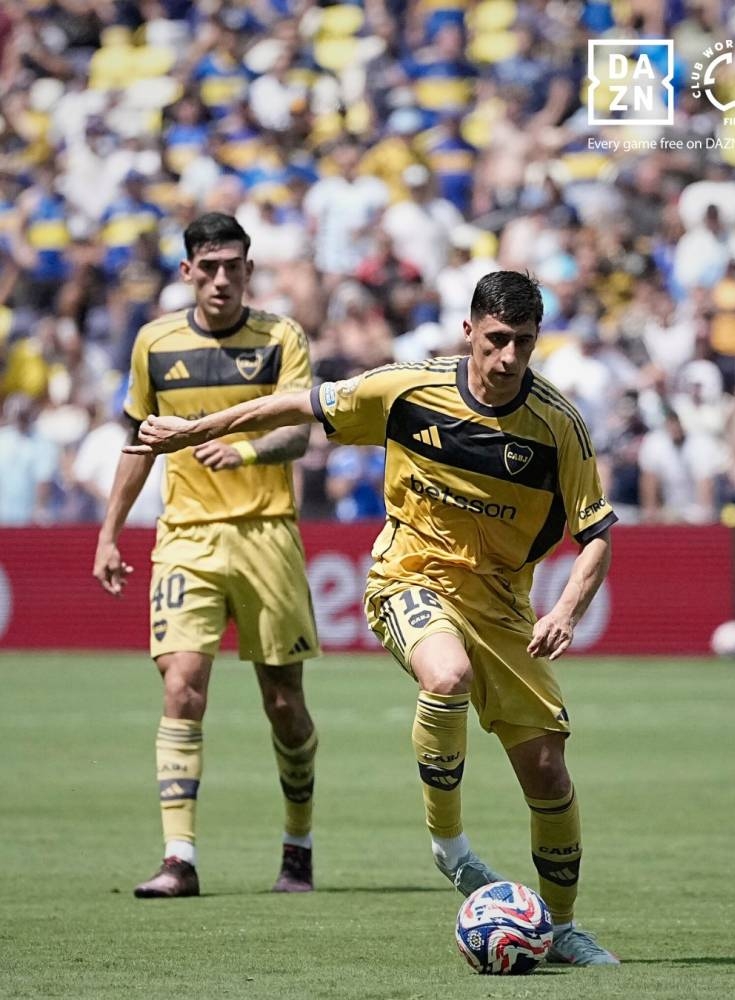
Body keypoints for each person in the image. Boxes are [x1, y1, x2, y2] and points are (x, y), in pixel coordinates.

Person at [126, 271, 619, 965]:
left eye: (524, 343)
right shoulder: (407, 390)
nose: (509, 357)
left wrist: (566, 609)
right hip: (408, 578)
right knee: (445, 676)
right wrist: (192, 431)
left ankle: (561, 928)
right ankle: (450, 846)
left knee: (548, 774)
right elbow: (295, 404)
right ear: (469, 331)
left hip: (504, 606)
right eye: (497, 339)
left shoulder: (557, 425)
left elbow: (596, 534)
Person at [93, 212, 320, 899]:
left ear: (249, 270)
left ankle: (298, 846)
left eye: (234, 266)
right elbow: (140, 442)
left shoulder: (281, 338)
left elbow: (299, 433)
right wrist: (109, 532)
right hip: (186, 538)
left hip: (266, 532)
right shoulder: (155, 342)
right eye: (210, 266)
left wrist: (243, 449)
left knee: (283, 702)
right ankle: (179, 859)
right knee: (182, 686)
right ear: (188, 270)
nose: (222, 279)